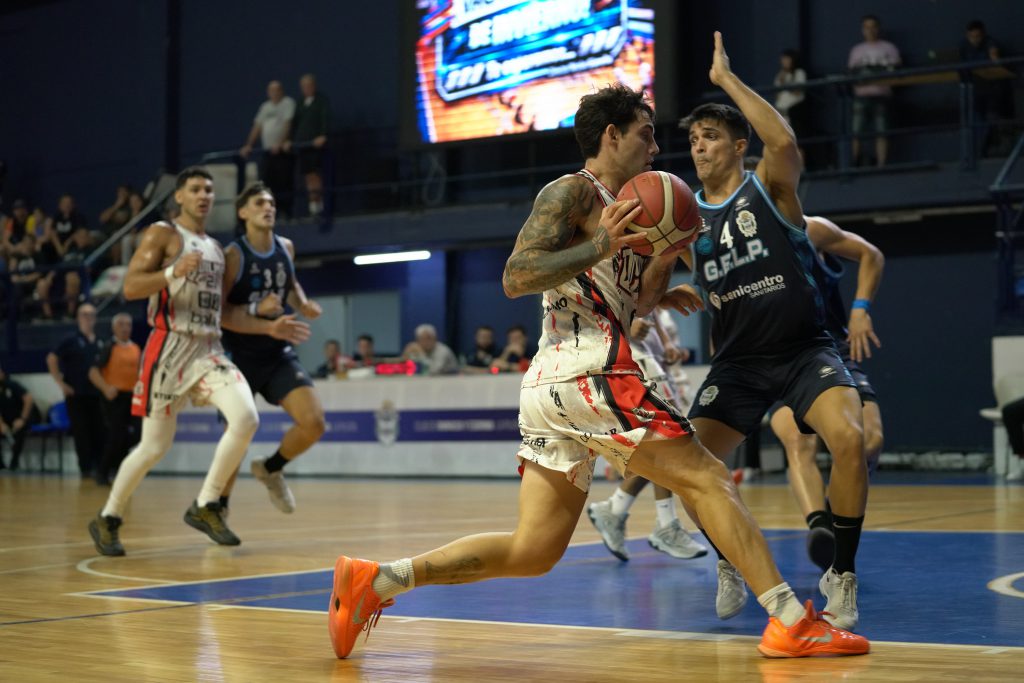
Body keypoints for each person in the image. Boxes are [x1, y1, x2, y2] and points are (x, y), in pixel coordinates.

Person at [327, 66, 868, 660]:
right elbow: (516, 276)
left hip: (555, 385)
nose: (656, 147)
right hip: (589, 372)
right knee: (708, 476)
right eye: (646, 134)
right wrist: (601, 245)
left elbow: (621, 295)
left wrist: (659, 278)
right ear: (612, 136)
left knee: (534, 550)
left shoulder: (633, 207)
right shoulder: (574, 191)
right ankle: (790, 620)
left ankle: (378, 580)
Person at [677, 32, 869, 632]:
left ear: (739, 145)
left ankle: (841, 573)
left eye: (710, 136)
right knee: (684, 467)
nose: (699, 146)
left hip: (802, 350)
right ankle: (732, 560)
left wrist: (726, 81)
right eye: (693, 139)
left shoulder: (770, 187)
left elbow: (782, 141)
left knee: (851, 439)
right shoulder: (684, 221)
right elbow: (657, 275)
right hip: (738, 362)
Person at [86, 167, 310, 557]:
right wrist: (172, 271)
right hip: (169, 347)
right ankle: (108, 517)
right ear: (179, 197)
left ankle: (206, 504)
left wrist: (263, 322)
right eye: (195, 189)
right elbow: (131, 287)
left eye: (208, 189)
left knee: (246, 418)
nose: (204, 195)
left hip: (208, 349)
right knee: (154, 447)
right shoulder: (162, 234)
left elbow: (225, 313)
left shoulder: (217, 250)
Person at [768, 215, 884, 572]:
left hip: (831, 350)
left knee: (870, 440)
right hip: (782, 358)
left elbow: (871, 255)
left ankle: (837, 517)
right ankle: (820, 528)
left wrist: (861, 309)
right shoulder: (738, 243)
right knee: (797, 440)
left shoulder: (810, 229)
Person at [218, 181, 325, 514]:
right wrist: (257, 311)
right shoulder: (234, 255)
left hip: (276, 351)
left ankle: (271, 468)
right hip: (238, 355)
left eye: (272, 203)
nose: (268, 208)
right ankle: (218, 506)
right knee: (237, 435)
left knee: (314, 423)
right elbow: (220, 313)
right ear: (243, 212)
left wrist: (302, 303)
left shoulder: (286, 247)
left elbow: (289, 283)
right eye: (260, 203)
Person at [588, 313, 708, 561]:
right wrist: (622, 323)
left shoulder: (655, 308)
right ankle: (664, 523)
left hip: (648, 354)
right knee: (665, 436)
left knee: (661, 439)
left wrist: (665, 341)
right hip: (622, 354)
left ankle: (615, 509)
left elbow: (650, 305)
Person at [47, 303, 106, 476]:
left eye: (92, 315)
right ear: (78, 318)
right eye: (85, 315)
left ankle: (100, 467)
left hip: (96, 394)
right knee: (81, 433)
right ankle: (85, 469)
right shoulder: (70, 340)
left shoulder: (100, 341)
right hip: (76, 394)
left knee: (99, 431)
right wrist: (60, 383)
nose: (89, 318)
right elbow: (51, 358)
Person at [88, 313, 143, 486]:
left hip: (132, 396)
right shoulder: (109, 347)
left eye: (128, 324)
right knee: (115, 435)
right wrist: (106, 388)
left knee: (138, 434)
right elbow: (93, 372)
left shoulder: (136, 348)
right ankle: (103, 472)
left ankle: (118, 465)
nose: (125, 328)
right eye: (121, 324)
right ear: (113, 328)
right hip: (115, 397)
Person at [847, 15, 901, 167]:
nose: (870, 30)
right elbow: (851, 72)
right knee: (856, 131)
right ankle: (854, 164)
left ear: (878, 28)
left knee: (881, 131)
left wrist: (878, 70)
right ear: (862, 30)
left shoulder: (889, 48)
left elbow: (897, 69)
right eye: (867, 27)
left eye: (873, 27)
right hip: (861, 96)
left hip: (882, 95)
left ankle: (881, 164)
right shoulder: (857, 50)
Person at [240, 81, 296, 217]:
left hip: (282, 152)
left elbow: (288, 124)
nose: (274, 93)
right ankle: (268, 213)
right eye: (271, 90)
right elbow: (257, 126)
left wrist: (280, 143)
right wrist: (249, 145)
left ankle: (286, 214)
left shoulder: (288, 103)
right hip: (267, 153)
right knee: (266, 184)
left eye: (277, 90)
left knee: (284, 183)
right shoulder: (265, 107)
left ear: (281, 91)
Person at [959, 20, 1006, 157]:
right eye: (971, 37)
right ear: (967, 35)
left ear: (983, 35)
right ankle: (978, 152)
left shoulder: (990, 43)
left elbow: (995, 59)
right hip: (973, 90)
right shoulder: (963, 45)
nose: (975, 40)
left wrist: (994, 57)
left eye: (977, 36)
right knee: (975, 122)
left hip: (991, 89)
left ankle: (985, 151)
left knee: (991, 118)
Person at [287, 74, 330, 217]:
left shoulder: (321, 101)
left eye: (309, 85)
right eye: (304, 86)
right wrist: (290, 140)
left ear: (314, 85)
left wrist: (323, 135)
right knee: (307, 176)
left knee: (315, 175)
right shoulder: (300, 103)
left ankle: (319, 205)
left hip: (316, 146)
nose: (306, 88)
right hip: (303, 145)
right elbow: (294, 123)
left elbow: (325, 118)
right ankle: (313, 207)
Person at [0, 363, 41, 471]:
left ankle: (14, 463)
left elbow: (29, 399)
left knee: (20, 430)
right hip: (7, 420)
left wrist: (22, 419)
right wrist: (1, 424)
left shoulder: (12, 385)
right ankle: (1, 464)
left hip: (23, 417)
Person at [773, 49, 807, 165]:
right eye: (783, 59)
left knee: (798, 142)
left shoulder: (799, 73)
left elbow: (798, 92)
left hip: (795, 112)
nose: (784, 61)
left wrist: (786, 85)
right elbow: (777, 95)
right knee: (782, 143)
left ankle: (801, 169)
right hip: (781, 114)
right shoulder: (780, 75)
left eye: (787, 59)